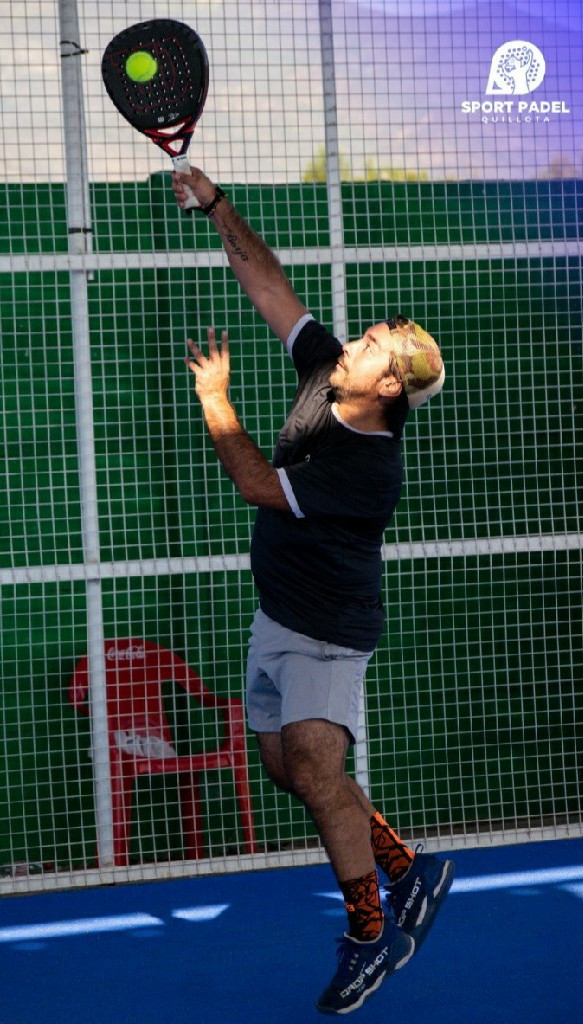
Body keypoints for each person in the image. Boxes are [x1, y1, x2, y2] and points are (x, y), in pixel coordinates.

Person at [172, 166, 453, 1016]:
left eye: (366, 347)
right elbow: (268, 283)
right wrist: (215, 204)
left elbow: (257, 484)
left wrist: (216, 403)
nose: (349, 346)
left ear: (388, 385)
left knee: (312, 765)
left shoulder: (370, 470)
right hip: (278, 613)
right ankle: (406, 868)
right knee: (289, 770)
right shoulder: (327, 373)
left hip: (329, 628)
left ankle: (371, 936)